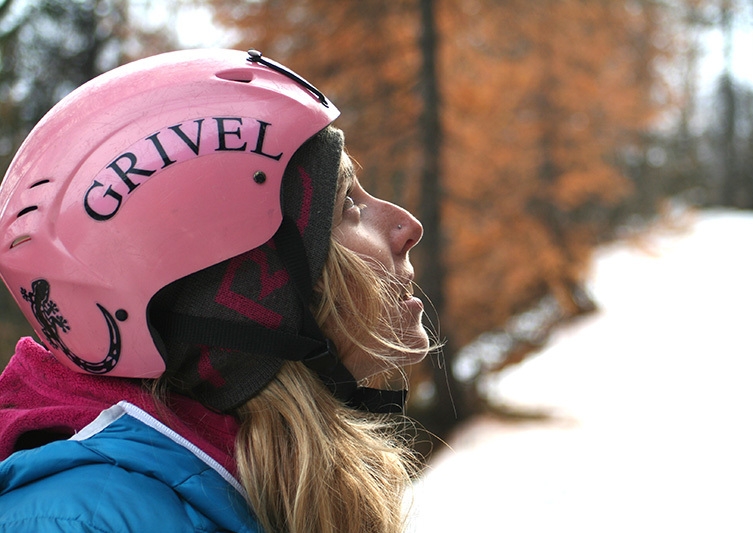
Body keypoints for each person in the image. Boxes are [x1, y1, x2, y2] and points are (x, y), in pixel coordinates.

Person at [0, 48, 432, 532]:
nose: (407, 226)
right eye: (348, 204)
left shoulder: (245, 489)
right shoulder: (90, 521)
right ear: (244, 308)